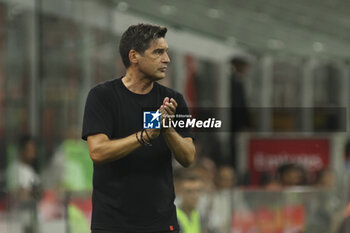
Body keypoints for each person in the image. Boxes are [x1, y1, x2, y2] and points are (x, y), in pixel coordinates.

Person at [82, 24, 196, 233]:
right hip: (112, 224)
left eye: (166, 52)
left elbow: (188, 157)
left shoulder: (173, 100)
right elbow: (97, 151)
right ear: (134, 56)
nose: (167, 59)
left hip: (161, 224)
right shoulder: (102, 96)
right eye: (158, 52)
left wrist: (167, 130)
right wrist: (145, 136)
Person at [229, 56, 250, 168]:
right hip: (234, 125)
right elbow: (239, 106)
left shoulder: (237, 81)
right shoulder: (234, 83)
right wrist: (244, 124)